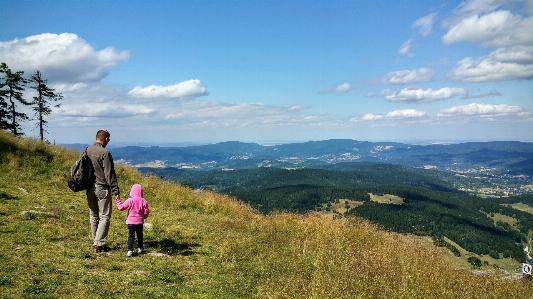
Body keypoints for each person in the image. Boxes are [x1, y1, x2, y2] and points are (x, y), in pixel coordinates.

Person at [86, 129, 121, 252]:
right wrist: (115, 190)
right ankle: (99, 244)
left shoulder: (87, 150)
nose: (108, 141)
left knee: (94, 214)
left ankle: (96, 240)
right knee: (105, 216)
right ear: (105, 139)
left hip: (89, 188)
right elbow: (109, 173)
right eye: (109, 139)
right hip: (102, 188)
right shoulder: (105, 153)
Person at [116, 184, 150, 257]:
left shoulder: (130, 200)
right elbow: (146, 212)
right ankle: (140, 248)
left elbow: (121, 208)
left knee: (131, 236)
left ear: (132, 191)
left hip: (131, 222)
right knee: (140, 235)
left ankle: (130, 251)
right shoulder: (144, 201)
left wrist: (118, 200)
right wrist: (144, 217)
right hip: (140, 222)